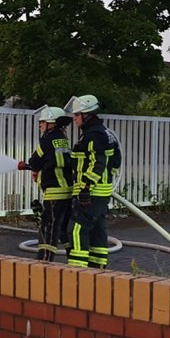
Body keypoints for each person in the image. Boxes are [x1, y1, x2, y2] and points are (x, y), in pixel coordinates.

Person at [64, 94, 121, 270]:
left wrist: (86, 187)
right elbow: (115, 162)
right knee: (97, 233)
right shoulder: (105, 134)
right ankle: (97, 272)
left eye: (76, 115)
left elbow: (98, 163)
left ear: (86, 115)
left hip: (90, 193)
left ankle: (78, 273)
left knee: (76, 231)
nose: (74, 119)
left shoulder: (93, 136)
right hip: (101, 194)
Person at [17, 106, 74, 261]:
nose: (40, 125)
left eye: (42, 122)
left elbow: (35, 161)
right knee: (62, 229)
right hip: (68, 191)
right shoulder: (62, 139)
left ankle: (44, 262)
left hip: (54, 192)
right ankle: (75, 259)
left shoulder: (47, 140)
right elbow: (54, 162)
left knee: (48, 228)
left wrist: (31, 166)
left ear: (51, 123)